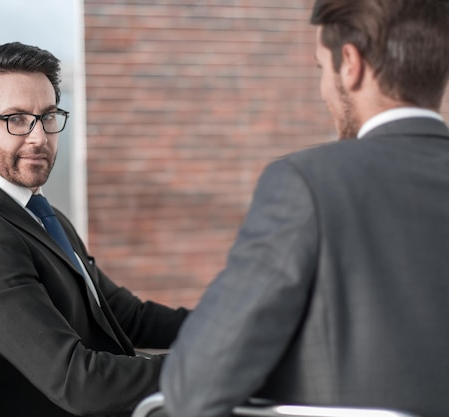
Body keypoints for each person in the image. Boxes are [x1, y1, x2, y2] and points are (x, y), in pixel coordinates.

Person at [160, 1, 449, 417]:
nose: (323, 89)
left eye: (320, 69)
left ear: (350, 63)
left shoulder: (307, 182)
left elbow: (194, 385)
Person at [0, 42, 189, 417]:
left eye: (47, 117)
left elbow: (125, 317)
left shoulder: (41, 215)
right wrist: (222, 365)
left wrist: (233, 330)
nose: (39, 137)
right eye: (15, 119)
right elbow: (79, 383)